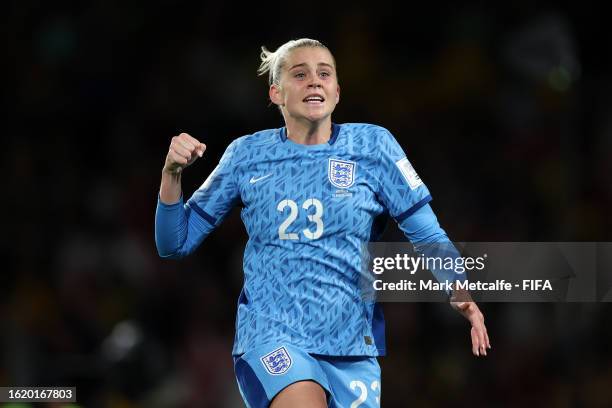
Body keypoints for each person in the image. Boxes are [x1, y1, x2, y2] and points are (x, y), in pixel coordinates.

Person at [155, 38, 490, 408]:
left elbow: (426, 232)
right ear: (276, 93)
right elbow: (174, 242)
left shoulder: (373, 146)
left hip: (350, 346)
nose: (314, 81)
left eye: (324, 74)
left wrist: (458, 288)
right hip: (272, 336)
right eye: (300, 74)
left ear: (336, 92)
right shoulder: (246, 155)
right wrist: (172, 173)